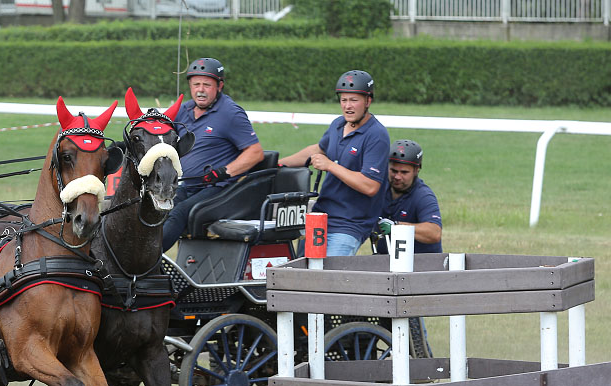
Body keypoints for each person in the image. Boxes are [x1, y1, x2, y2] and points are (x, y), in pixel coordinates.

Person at [278, 70, 389, 256]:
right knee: (301, 276)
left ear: (368, 101)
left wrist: (330, 166)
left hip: (349, 224)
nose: (347, 106)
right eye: (344, 100)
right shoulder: (337, 125)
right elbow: (318, 150)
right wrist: (279, 164)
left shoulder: (376, 135)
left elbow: (370, 186)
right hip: (320, 218)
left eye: (354, 100)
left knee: (330, 280)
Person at [161, 57, 264, 251]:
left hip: (218, 189)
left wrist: (223, 172)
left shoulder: (230, 113)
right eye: (196, 84)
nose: (200, 90)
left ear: (220, 86)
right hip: (186, 184)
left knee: (179, 212)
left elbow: (255, 152)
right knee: (157, 209)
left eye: (207, 85)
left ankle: (145, 264)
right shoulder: (184, 110)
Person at [375, 139, 442, 254]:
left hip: (422, 265)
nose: (397, 177)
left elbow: (434, 233)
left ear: (416, 170)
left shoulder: (423, 196)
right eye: (393, 171)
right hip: (384, 261)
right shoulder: (378, 187)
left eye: (404, 172)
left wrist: (397, 227)